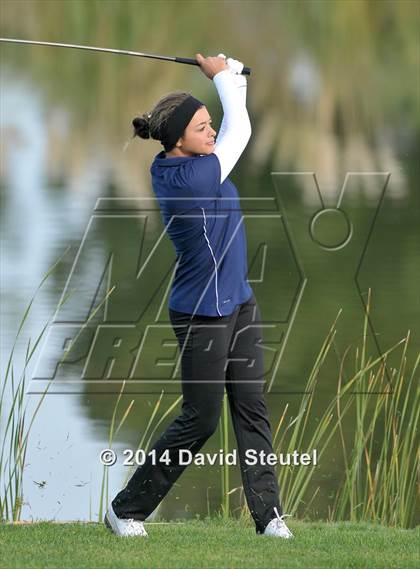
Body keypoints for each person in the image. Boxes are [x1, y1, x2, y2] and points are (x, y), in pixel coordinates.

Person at [104, 53, 293, 539]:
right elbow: (242, 132)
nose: (212, 132)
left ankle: (269, 516)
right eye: (202, 127)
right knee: (201, 419)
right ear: (178, 140)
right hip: (200, 315)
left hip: (239, 301)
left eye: (211, 125)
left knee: (252, 407)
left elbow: (235, 123)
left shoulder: (198, 163)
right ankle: (125, 509)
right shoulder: (188, 179)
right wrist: (223, 76)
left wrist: (236, 77)